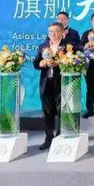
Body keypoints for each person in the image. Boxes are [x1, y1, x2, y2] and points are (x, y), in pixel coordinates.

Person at [34, 22, 67, 150]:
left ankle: (59, 137)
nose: (52, 34)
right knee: (47, 112)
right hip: (46, 83)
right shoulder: (43, 46)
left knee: (61, 110)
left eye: (55, 31)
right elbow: (36, 63)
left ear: (61, 33)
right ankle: (48, 138)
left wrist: (59, 63)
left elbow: (73, 61)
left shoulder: (67, 46)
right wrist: (41, 63)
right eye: (50, 31)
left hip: (61, 82)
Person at [80, 12, 94, 119]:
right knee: (90, 88)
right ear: (91, 21)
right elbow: (80, 46)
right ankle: (90, 110)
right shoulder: (86, 33)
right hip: (89, 64)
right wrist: (86, 45)